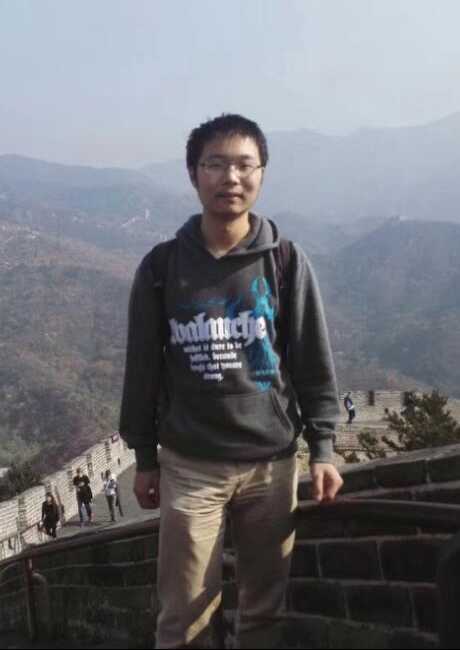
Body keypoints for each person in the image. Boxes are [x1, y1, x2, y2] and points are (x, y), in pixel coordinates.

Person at [118, 114, 344, 649]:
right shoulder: (162, 267)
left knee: (265, 611)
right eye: (215, 164)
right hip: (190, 464)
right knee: (183, 616)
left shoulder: (285, 261)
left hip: (272, 464)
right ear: (193, 174)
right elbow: (143, 368)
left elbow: (312, 360)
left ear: (262, 173)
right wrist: (144, 456)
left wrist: (324, 448)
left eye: (245, 165)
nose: (231, 177)